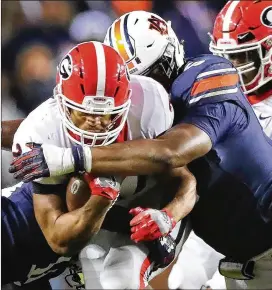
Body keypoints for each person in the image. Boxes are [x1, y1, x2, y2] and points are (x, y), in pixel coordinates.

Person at [10, 11, 272, 290]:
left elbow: (172, 152)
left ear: (169, 60)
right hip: (235, 257)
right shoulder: (132, 109)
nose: (140, 88)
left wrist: (70, 157)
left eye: (149, 76)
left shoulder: (207, 76)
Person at [4, 40, 196, 289]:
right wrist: (100, 201)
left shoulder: (149, 104)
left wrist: (169, 216)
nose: (95, 123)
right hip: (86, 226)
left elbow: (186, 179)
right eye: (83, 114)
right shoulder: (40, 131)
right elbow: (58, 238)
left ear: (127, 103)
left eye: (106, 114)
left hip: (146, 211)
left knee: (121, 280)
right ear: (61, 102)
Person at [170, 1, 272, 289]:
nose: (231, 71)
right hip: (221, 229)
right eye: (225, 59)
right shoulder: (220, 103)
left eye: (241, 58)